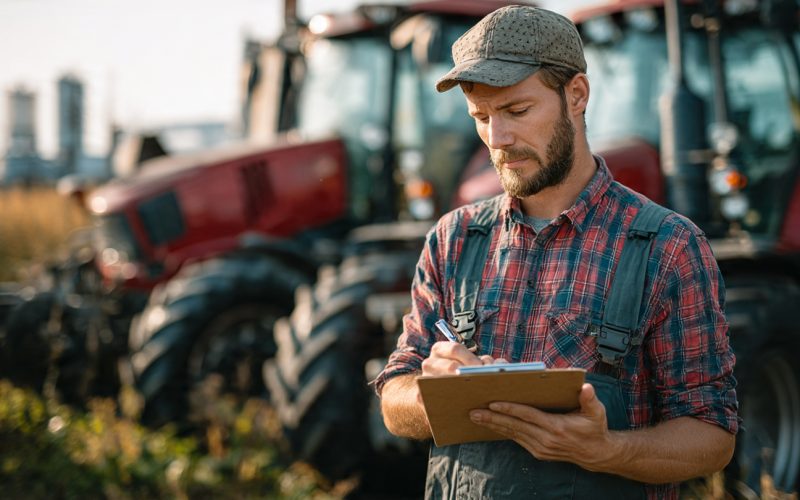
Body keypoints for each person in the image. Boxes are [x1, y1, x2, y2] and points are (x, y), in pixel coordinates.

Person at [374, 5, 738, 500]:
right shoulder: (453, 237)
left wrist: (606, 450)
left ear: (577, 95)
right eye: (481, 117)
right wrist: (432, 389)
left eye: (518, 111)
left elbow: (712, 436)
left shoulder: (668, 247)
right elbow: (393, 399)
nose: (498, 140)